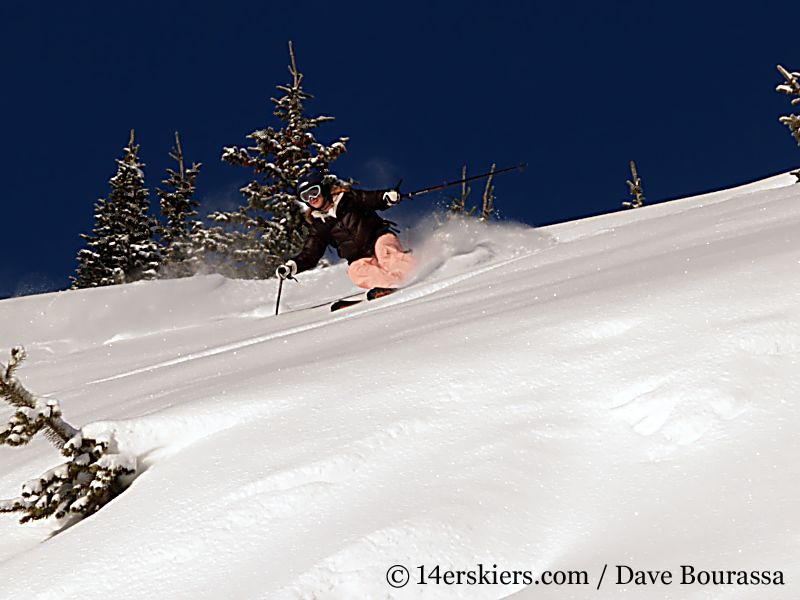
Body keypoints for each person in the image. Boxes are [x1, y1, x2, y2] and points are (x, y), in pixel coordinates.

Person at [275, 169, 416, 297]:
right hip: (358, 256)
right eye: (306, 196)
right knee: (356, 271)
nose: (312, 198)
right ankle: (389, 284)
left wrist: (386, 197)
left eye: (314, 191)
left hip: (377, 237)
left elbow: (371, 199)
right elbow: (310, 253)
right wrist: (292, 266)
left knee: (385, 251)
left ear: (323, 189)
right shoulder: (318, 225)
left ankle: (409, 274)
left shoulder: (348, 199)